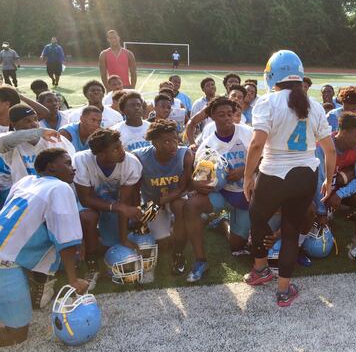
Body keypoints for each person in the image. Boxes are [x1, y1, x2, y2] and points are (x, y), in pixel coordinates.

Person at [242, 50, 335, 307]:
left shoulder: (267, 102)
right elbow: (329, 149)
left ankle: (261, 269)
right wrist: (329, 178)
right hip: (306, 174)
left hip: (274, 173)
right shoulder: (314, 105)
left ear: (272, 75)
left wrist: (248, 177)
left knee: (257, 217)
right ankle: (284, 290)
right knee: (292, 231)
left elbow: (257, 145)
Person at [0, 149, 88, 347]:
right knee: (17, 335)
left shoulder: (26, 180)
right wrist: (73, 280)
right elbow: (65, 240)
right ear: (51, 167)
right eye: (66, 163)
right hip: (4, 261)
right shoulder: (60, 188)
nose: (73, 168)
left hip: (6, 253)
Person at [73, 128, 143, 288]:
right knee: (89, 217)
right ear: (101, 154)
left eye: (121, 146)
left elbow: (123, 203)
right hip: (87, 202)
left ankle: (94, 240)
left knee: (112, 245)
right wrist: (116, 206)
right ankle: (91, 264)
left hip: (113, 202)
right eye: (116, 149)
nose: (122, 151)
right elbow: (85, 200)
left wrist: (124, 238)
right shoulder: (81, 160)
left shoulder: (131, 163)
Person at [186, 97, 253, 259]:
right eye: (221, 115)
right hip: (222, 193)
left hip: (247, 193)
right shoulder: (207, 145)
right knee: (193, 204)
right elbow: (200, 177)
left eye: (230, 114)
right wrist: (200, 183)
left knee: (236, 247)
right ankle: (200, 258)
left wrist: (245, 170)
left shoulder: (247, 132)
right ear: (212, 117)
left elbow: (266, 157)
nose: (227, 118)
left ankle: (224, 222)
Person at [133, 120, 195, 277]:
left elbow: (183, 187)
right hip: (151, 201)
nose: (173, 144)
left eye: (175, 139)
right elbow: (134, 190)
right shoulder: (140, 157)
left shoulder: (185, 154)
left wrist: (160, 202)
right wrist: (142, 212)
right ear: (154, 142)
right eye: (166, 141)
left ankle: (179, 255)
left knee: (180, 207)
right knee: (163, 244)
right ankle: (166, 224)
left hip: (174, 198)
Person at [315, 112, 356, 268]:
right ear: (344, 132)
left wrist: (340, 194)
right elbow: (319, 180)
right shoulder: (323, 145)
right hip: (319, 190)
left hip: (338, 190)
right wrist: (321, 211)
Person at [0, 104, 75, 182]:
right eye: (27, 121)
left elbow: (72, 163)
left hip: (54, 187)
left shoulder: (53, 138)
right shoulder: (10, 142)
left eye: (35, 119)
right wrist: (39, 132)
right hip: (25, 191)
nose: (34, 124)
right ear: (13, 124)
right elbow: (2, 141)